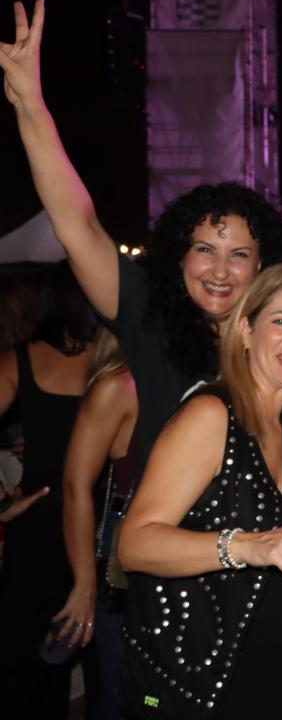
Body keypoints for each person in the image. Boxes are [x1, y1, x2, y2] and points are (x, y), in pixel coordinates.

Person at [0, 0, 282, 472]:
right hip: (166, 521)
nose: (220, 270)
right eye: (205, 249)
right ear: (180, 257)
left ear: (260, 265)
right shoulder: (149, 319)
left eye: (239, 254)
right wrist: (31, 106)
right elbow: (78, 224)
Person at [118, 263, 282, 719]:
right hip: (208, 681)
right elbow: (134, 545)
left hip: (280, 667)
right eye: (281, 320)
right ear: (246, 330)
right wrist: (246, 546)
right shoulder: (212, 415)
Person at [0, 261, 97, 719]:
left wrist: (4, 502)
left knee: (24, 664)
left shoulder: (19, 358)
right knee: (83, 662)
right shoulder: (115, 365)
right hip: (97, 525)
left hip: (39, 524)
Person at [59, 330, 139, 720]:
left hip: (182, 544)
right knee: (122, 690)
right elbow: (76, 486)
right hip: (124, 553)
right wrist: (84, 584)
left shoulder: (189, 376)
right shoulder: (119, 385)